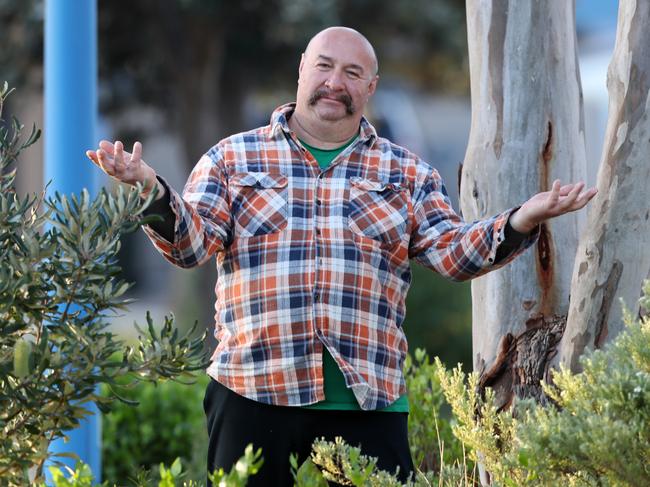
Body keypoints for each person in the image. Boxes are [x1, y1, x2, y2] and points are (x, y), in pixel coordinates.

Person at [87, 26, 597, 486]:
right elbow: (190, 245)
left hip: (368, 397)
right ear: (302, 71)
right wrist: (151, 190)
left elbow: (451, 254)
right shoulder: (231, 158)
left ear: (370, 87)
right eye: (325, 66)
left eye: (353, 72)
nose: (336, 82)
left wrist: (521, 219)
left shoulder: (407, 173)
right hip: (253, 389)